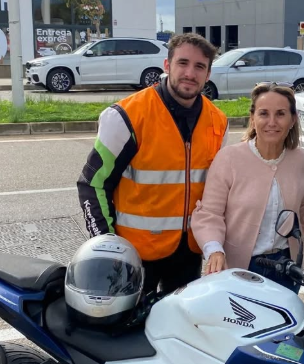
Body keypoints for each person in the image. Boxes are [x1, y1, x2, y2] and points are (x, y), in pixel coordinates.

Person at [77, 33, 228, 294]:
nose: (190, 73)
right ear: (167, 65)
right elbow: (92, 184)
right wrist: (106, 245)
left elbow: (220, 192)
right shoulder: (127, 116)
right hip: (134, 254)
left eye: (199, 67)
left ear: (208, 74)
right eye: (183, 63)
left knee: (179, 329)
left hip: (189, 254)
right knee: (127, 330)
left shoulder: (218, 121)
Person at [191, 83, 304, 292]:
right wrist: (214, 250)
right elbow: (209, 214)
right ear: (253, 118)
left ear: (293, 119)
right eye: (264, 114)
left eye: (280, 114)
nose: (272, 122)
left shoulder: (300, 158)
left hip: (287, 267)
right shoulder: (229, 159)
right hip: (240, 269)